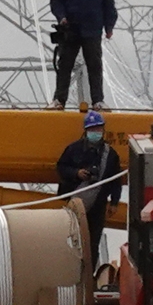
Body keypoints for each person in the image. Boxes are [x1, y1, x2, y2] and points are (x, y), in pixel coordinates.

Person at [48, 0, 116, 109]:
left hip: (93, 29)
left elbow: (109, 4)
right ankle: (59, 100)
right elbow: (56, 0)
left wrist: (109, 27)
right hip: (71, 29)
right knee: (65, 65)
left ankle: (98, 101)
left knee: (95, 65)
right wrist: (61, 17)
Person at [54, 110, 123, 265]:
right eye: (92, 129)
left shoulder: (110, 154)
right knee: (71, 238)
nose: (96, 132)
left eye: (98, 129)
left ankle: (89, 274)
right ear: (86, 131)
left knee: (92, 242)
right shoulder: (74, 149)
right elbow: (61, 167)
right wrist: (76, 173)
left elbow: (116, 179)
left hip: (98, 204)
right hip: (74, 202)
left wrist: (114, 202)